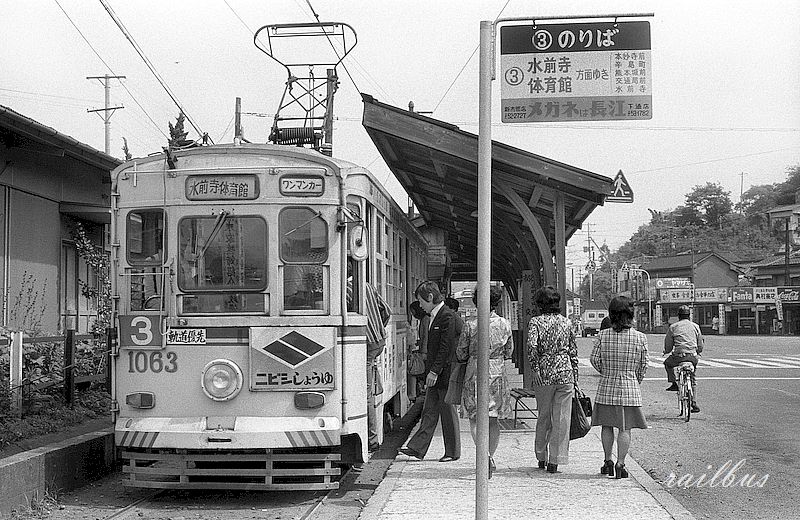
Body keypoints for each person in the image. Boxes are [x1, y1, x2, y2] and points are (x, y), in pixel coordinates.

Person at [400, 281, 461, 462]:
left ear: (430, 297)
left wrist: (434, 371)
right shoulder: (436, 316)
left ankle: (453, 451)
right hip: (435, 372)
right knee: (429, 410)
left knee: (447, 412)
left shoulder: (447, 316)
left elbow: (446, 347)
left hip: (445, 372)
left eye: (421, 301)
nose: (419, 305)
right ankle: (417, 447)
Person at [456, 285, 513, 479]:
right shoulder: (505, 324)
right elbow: (509, 351)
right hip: (497, 371)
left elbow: (461, 352)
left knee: (475, 416)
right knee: (493, 417)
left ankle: (484, 456)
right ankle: (490, 455)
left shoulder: (470, 325)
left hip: (475, 370)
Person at [590, 296, 649, 479]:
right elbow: (643, 364)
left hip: (606, 387)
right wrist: (635, 379)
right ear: (630, 315)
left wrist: (605, 371)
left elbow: (594, 358)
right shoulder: (640, 337)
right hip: (629, 388)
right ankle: (620, 464)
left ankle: (607, 461)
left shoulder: (602, 335)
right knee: (625, 429)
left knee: (607, 426)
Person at [527, 286, 579, 474]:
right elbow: (573, 350)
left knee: (543, 416)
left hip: (544, 372)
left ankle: (541, 455)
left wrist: (535, 368)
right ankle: (556, 460)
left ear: (540, 304)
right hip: (565, 372)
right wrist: (576, 375)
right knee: (561, 418)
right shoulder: (566, 323)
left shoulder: (536, 322)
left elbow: (532, 347)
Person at [365, 283, 390, 452]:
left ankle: (372, 439)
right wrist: (379, 327)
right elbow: (386, 311)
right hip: (379, 340)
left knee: (365, 394)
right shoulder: (368, 286)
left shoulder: (344, 289)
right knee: (369, 384)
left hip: (365, 343)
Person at [663, 305, 702, 413]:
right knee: (693, 378)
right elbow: (700, 344)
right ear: (689, 316)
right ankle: (693, 402)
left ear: (678, 316)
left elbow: (668, 346)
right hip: (692, 357)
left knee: (667, 363)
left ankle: (673, 383)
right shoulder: (695, 326)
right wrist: (698, 352)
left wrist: (666, 351)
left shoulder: (673, 327)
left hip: (678, 356)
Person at [408, 300, 429, 400]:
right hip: (423, 350)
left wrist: (423, 351)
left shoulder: (425, 319)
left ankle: (413, 393)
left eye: (413, 312)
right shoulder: (425, 319)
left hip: (424, 351)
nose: (413, 314)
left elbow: (426, 337)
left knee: (413, 370)